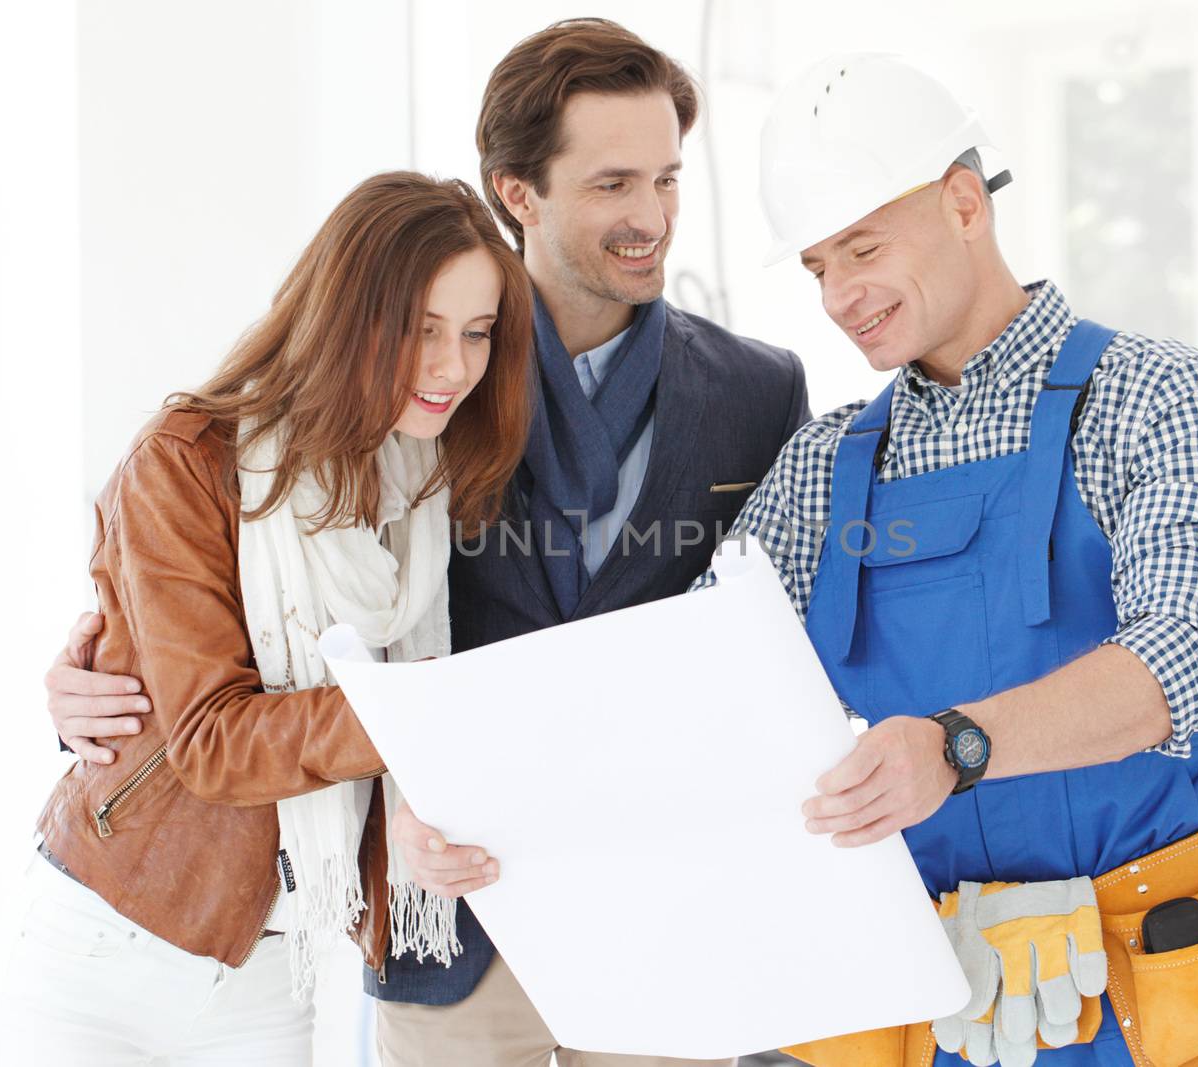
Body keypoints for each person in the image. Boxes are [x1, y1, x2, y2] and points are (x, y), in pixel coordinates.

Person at [43, 18, 810, 1067]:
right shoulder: (417, 395)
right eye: (612, 184)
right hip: (446, 916)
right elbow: (262, 563)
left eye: (668, 180)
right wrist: (93, 667)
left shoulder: (761, 390)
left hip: (661, 909)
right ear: (517, 193)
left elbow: (773, 631)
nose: (651, 218)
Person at [724, 56, 1198, 1066]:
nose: (838, 295)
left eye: (860, 247)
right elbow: (702, 684)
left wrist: (952, 748)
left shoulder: (1157, 397)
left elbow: (1182, 660)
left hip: (1142, 994)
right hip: (911, 1007)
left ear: (961, 202)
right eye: (817, 265)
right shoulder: (818, 468)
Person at [5, 171, 535, 1065]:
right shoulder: (189, 460)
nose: (454, 367)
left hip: (271, 970)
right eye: (422, 330)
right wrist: (427, 714)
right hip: (103, 947)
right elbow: (214, 739)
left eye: (476, 333)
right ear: (348, 315)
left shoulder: (422, 486)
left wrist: (424, 789)